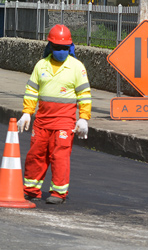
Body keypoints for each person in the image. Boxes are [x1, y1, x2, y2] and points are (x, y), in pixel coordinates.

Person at [17, 24, 91, 205]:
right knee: (36, 155)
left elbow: (84, 95)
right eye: (57, 47)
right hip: (42, 120)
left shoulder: (76, 67)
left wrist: (83, 118)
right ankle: (31, 189)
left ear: (70, 48)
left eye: (64, 48)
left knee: (60, 156)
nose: (60, 51)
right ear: (50, 46)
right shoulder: (41, 65)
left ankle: (58, 192)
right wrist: (27, 113)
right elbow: (31, 91)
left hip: (64, 121)